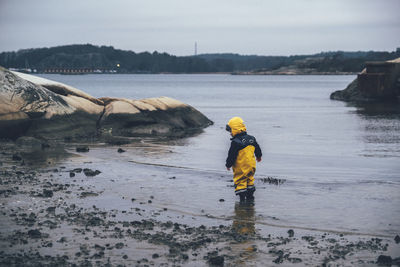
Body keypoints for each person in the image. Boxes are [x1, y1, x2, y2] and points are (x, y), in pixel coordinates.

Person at [225, 117, 262, 202]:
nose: (230, 133)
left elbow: (231, 155)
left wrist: (228, 164)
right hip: (252, 165)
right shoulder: (251, 138)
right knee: (250, 178)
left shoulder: (236, 142)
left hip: (241, 167)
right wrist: (259, 156)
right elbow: (257, 148)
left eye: (230, 131)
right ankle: (250, 196)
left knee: (240, 180)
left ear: (235, 129)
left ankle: (242, 199)